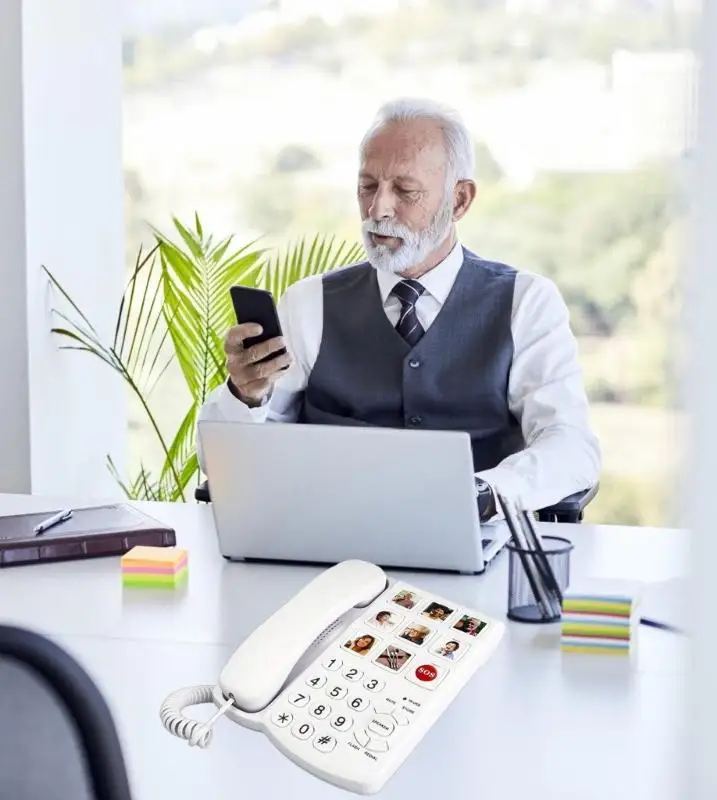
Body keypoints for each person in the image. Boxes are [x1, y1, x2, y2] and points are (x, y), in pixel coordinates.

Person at [198, 97, 601, 516]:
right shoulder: (309, 303)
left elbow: (571, 445)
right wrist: (245, 396)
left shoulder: (527, 303)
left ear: (460, 200)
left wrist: (482, 494)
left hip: (476, 542)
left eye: (405, 191)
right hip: (331, 542)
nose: (378, 209)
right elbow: (222, 464)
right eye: (367, 186)